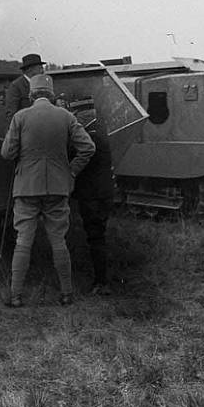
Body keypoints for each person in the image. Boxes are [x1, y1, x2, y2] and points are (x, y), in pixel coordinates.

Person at [0, 74, 95, 307]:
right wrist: (70, 171)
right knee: (58, 240)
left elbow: (6, 153)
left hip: (26, 188)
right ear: (51, 94)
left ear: (31, 94)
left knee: (23, 240)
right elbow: (88, 147)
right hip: (57, 187)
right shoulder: (66, 116)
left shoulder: (20, 117)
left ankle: (16, 296)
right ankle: (66, 293)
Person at [69, 101, 116, 295]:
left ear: (86, 115)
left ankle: (101, 282)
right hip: (102, 193)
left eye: (77, 115)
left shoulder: (91, 137)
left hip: (92, 196)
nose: (75, 119)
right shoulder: (100, 131)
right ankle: (100, 278)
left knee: (95, 237)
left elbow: (75, 154)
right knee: (97, 236)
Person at [5, 53, 46, 119]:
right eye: (40, 68)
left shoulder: (42, 84)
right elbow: (11, 114)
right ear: (30, 69)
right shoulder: (15, 86)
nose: (42, 71)